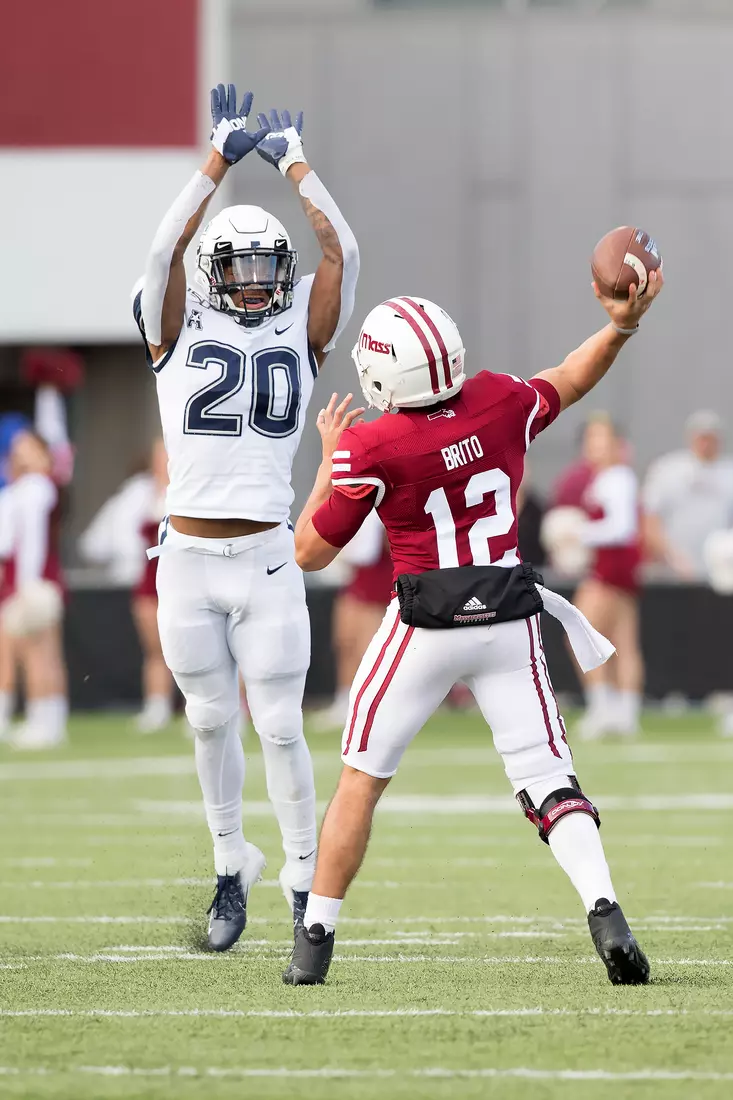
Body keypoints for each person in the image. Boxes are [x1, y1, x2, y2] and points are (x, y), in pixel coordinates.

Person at [286, 273, 663, 988]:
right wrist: (620, 326)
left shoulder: (370, 445)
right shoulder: (497, 399)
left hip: (424, 624)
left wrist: (329, 461)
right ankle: (604, 909)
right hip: (507, 614)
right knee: (550, 781)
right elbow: (570, 377)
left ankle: (315, 939)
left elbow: (309, 552)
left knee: (360, 780)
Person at [133, 84, 358, 951]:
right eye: (242, 267)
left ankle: (303, 880)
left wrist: (296, 162)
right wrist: (214, 162)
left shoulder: (301, 326)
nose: (259, 282)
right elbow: (164, 249)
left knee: (280, 724)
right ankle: (232, 864)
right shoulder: (173, 325)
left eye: (270, 267)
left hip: (266, 555)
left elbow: (341, 249)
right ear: (212, 275)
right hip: (187, 558)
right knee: (206, 718)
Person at [80, 439, 175, 732]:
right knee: (155, 649)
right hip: (150, 580)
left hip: (183, 578)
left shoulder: (189, 488)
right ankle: (157, 707)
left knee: (195, 646)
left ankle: (205, 710)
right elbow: (113, 536)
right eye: (160, 454)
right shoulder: (139, 492)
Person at [573, 416, 643, 739]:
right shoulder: (607, 477)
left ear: (617, 444)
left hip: (611, 569)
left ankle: (604, 709)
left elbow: (622, 528)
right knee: (620, 641)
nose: (594, 445)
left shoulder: (616, 477)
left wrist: (578, 532)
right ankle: (624, 714)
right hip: (616, 567)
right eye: (590, 438)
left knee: (582, 635)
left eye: (600, 438)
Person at [0, 431, 67, 749]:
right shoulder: (21, 488)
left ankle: (47, 723)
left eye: (28, 448)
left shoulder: (38, 486)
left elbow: (33, 542)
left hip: (35, 580)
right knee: (32, 652)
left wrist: (28, 584)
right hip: (23, 579)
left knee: (40, 652)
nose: (20, 454)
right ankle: (46, 721)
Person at [311, 510, 393, 731]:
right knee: (345, 641)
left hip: (380, 572)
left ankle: (371, 705)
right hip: (356, 574)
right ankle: (343, 701)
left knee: (367, 648)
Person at [643, 410, 733, 580]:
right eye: (701, 437)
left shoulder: (729, 473)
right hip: (672, 574)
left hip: (720, 576)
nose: (706, 443)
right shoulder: (667, 469)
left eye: (711, 437)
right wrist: (672, 557)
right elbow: (650, 521)